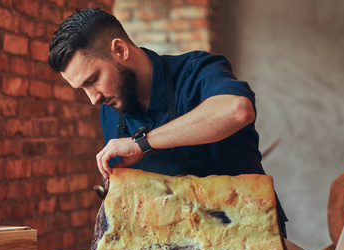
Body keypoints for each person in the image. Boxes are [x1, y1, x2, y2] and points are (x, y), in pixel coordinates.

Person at [48, 7, 288, 234]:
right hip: (171, 246)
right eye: (83, 88)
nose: (93, 98)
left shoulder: (196, 71)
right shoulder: (110, 109)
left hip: (248, 233)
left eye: (93, 80)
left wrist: (142, 143)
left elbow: (237, 110)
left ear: (120, 50)